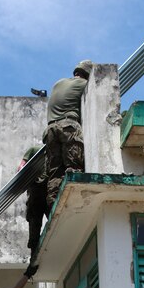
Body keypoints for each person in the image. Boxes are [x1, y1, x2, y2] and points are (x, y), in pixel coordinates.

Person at [43, 59, 93, 208]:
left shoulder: (58, 83)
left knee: (55, 172)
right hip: (68, 126)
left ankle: (53, 203)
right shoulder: (85, 85)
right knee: (74, 166)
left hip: (50, 130)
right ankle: (76, 201)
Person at [18, 145, 50, 257]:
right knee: (54, 218)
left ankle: (34, 254)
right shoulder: (54, 150)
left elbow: (21, 167)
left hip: (36, 192)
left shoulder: (33, 149)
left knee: (34, 223)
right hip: (48, 191)